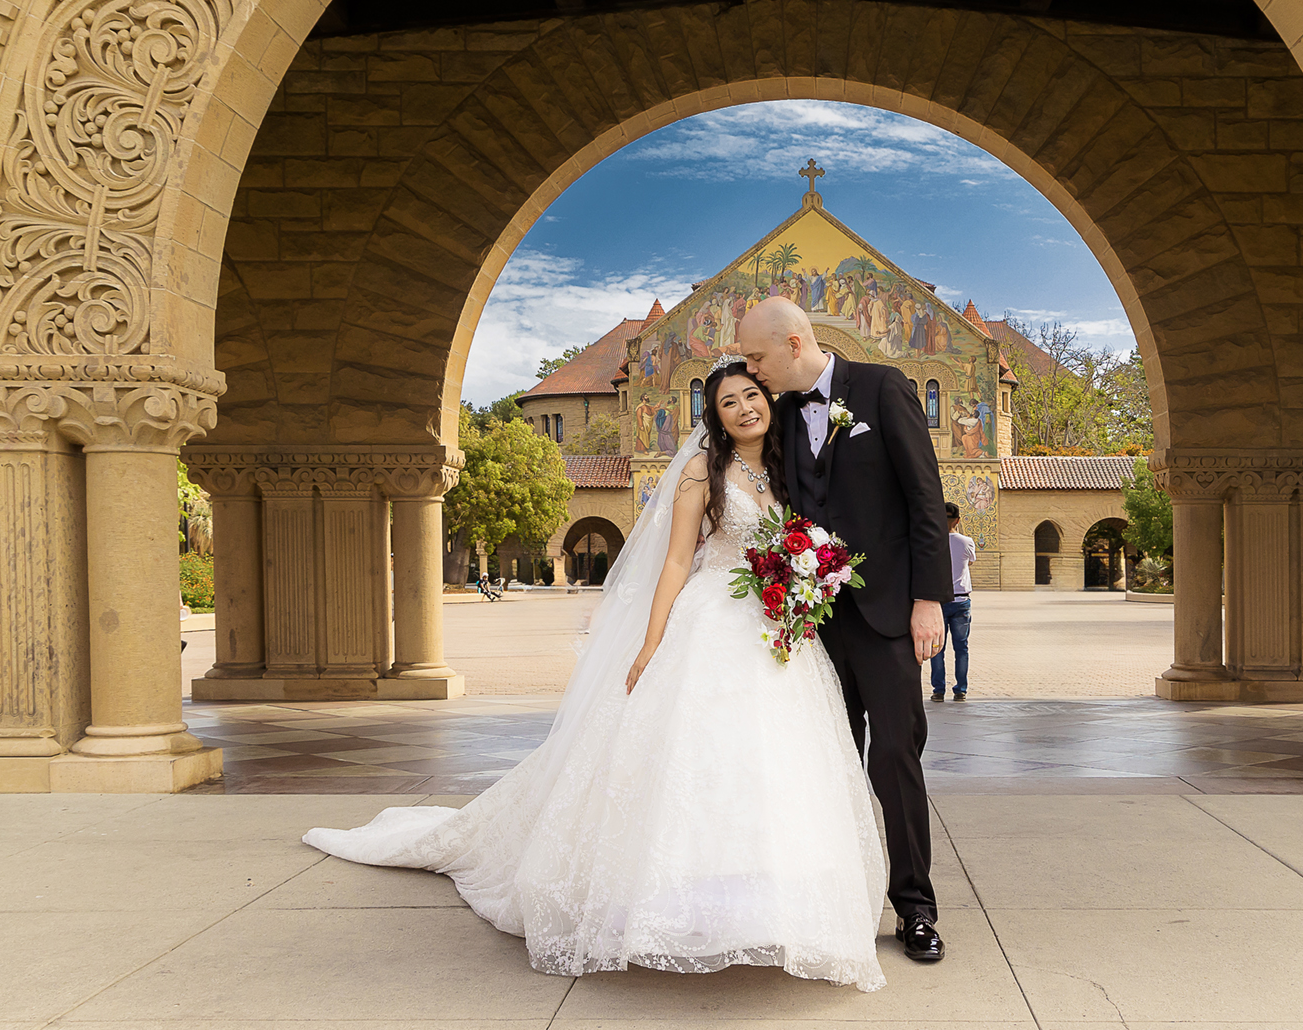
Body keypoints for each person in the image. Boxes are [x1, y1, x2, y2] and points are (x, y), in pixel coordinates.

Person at [302, 359, 887, 991]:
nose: (744, 408)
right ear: (712, 418)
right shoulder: (701, 472)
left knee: (772, 762)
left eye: (752, 395)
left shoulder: (788, 466)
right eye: (727, 403)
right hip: (711, 618)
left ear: (768, 400)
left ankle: (766, 903)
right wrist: (651, 642)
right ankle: (673, 902)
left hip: (775, 629)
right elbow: (673, 564)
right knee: (692, 755)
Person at [739, 296, 951, 965]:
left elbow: (925, 500)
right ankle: (832, 904)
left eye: (756, 357)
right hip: (813, 627)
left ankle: (914, 909)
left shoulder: (884, 390)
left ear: (794, 344)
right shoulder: (777, 417)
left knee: (894, 760)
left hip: (887, 615)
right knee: (822, 764)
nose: (750, 370)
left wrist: (929, 601)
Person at [929, 503, 973, 702]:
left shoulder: (932, 542)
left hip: (939, 601)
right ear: (957, 520)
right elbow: (970, 561)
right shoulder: (966, 542)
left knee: (938, 648)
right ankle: (960, 689)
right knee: (961, 647)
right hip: (961, 600)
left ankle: (939, 690)